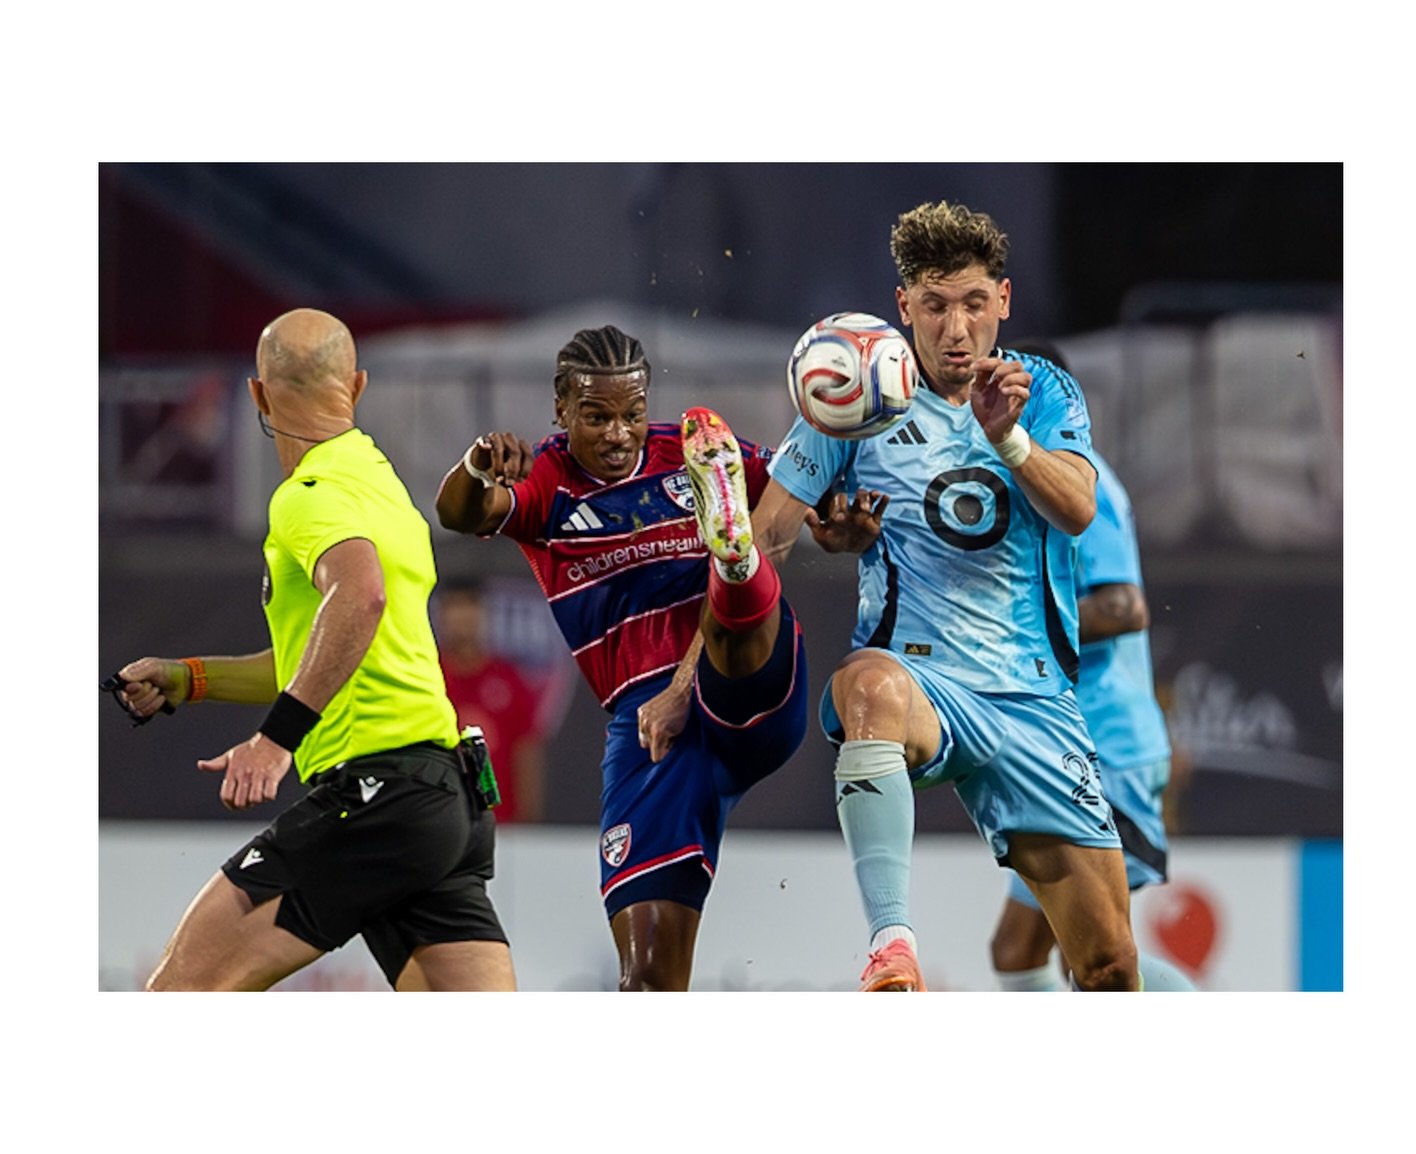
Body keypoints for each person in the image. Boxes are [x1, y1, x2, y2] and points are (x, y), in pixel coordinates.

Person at [752, 200, 1141, 991]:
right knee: (866, 682)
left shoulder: (1047, 392)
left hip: (1034, 700)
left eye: (971, 304)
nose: (955, 328)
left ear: (1004, 300)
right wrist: (756, 546)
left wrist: (1008, 438)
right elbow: (767, 535)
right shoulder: (853, 395)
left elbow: (1076, 509)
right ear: (904, 309)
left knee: (1107, 965)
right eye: (934, 306)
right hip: (925, 686)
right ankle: (892, 947)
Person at [111, 307, 517, 992]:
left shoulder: (306, 495)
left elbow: (360, 599)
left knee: (179, 993)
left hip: (375, 795)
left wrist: (275, 743)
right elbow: (330, 650)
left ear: (258, 395)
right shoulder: (382, 484)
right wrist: (190, 678)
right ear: (356, 387)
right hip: (446, 802)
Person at [435, 324, 815, 991]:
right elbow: (461, 514)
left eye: (633, 415)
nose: (618, 433)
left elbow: (807, 509)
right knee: (645, 981)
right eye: (597, 416)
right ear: (560, 410)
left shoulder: (692, 450)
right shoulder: (546, 482)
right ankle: (737, 557)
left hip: (742, 680)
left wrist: (842, 517)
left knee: (739, 595)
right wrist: (474, 467)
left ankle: (739, 554)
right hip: (646, 728)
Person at [988, 341, 1196, 991]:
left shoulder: (1086, 480)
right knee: (1021, 952)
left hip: (1110, 746)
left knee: (1094, 960)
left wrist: (1019, 624)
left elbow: (1125, 604)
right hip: (1073, 746)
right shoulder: (1029, 481)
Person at [435, 581, 547, 822]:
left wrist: (527, 818)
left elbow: (525, 752)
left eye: (470, 608)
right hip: (441, 819)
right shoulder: (429, 677)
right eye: (455, 609)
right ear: (442, 616)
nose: (463, 619)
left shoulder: (508, 679)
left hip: (501, 821)